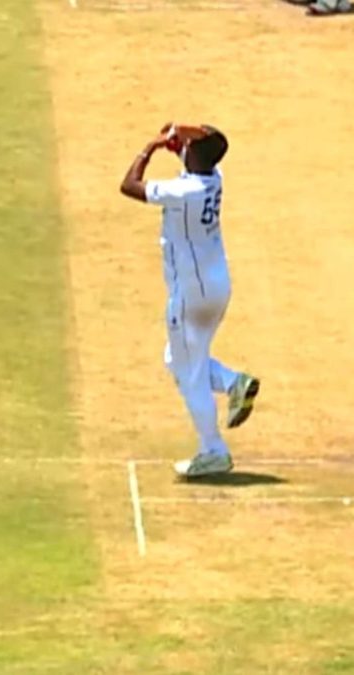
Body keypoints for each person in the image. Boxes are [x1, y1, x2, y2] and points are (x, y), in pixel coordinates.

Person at [119, 124, 260, 478]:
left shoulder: (184, 191)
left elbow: (130, 186)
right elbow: (203, 148)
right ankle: (232, 382)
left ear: (195, 156)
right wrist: (179, 141)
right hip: (216, 287)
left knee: (188, 371)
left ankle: (213, 449)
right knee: (177, 358)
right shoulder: (214, 176)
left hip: (191, 295)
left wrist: (148, 148)